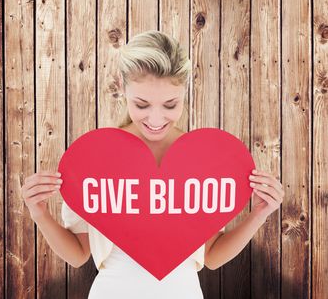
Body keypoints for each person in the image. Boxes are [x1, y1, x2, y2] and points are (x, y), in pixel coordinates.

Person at [22, 30, 285, 298]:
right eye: (142, 104)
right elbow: (78, 254)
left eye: (170, 104)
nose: (156, 119)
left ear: (185, 92)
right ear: (123, 88)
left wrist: (259, 214)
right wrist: (39, 213)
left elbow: (212, 256)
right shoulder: (97, 157)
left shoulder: (202, 157)